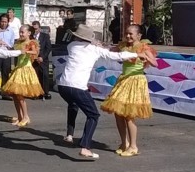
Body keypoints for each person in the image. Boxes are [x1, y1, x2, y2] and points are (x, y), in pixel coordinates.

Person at [58, 24, 138, 160]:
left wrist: (96, 45)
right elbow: (117, 56)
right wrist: (137, 54)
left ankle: (70, 134)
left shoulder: (71, 46)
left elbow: (89, 46)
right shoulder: (94, 50)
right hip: (77, 86)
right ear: (89, 39)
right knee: (93, 115)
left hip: (62, 86)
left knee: (73, 104)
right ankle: (85, 147)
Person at [100, 24, 158, 157]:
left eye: (131, 34)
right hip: (124, 79)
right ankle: (124, 143)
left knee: (129, 115)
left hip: (136, 81)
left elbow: (155, 63)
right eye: (126, 33)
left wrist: (146, 58)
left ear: (139, 35)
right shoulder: (123, 46)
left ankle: (133, 146)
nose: (128, 36)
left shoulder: (144, 47)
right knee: (118, 112)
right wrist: (100, 46)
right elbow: (111, 50)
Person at [1, 24, 44, 127]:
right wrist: (5, 44)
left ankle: (25, 116)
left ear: (29, 33)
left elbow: (35, 51)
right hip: (18, 69)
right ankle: (20, 117)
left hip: (26, 69)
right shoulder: (19, 42)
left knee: (20, 95)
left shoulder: (31, 42)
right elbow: (14, 50)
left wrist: (26, 51)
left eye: (22, 32)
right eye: (20, 32)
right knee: (15, 95)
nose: (20, 34)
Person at [0, 14, 15, 91]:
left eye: (5, 22)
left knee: (6, 73)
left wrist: (6, 44)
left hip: (6, 55)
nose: (4, 23)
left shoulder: (11, 31)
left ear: (8, 22)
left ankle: (4, 91)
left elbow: (12, 44)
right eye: (2, 21)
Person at [32, 20, 52, 99]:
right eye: (33, 29)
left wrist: (42, 57)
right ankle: (36, 93)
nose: (35, 31)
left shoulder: (45, 36)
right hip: (34, 60)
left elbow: (48, 48)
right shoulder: (30, 37)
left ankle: (45, 92)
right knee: (35, 76)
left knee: (45, 75)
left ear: (39, 28)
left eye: (36, 29)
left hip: (43, 59)